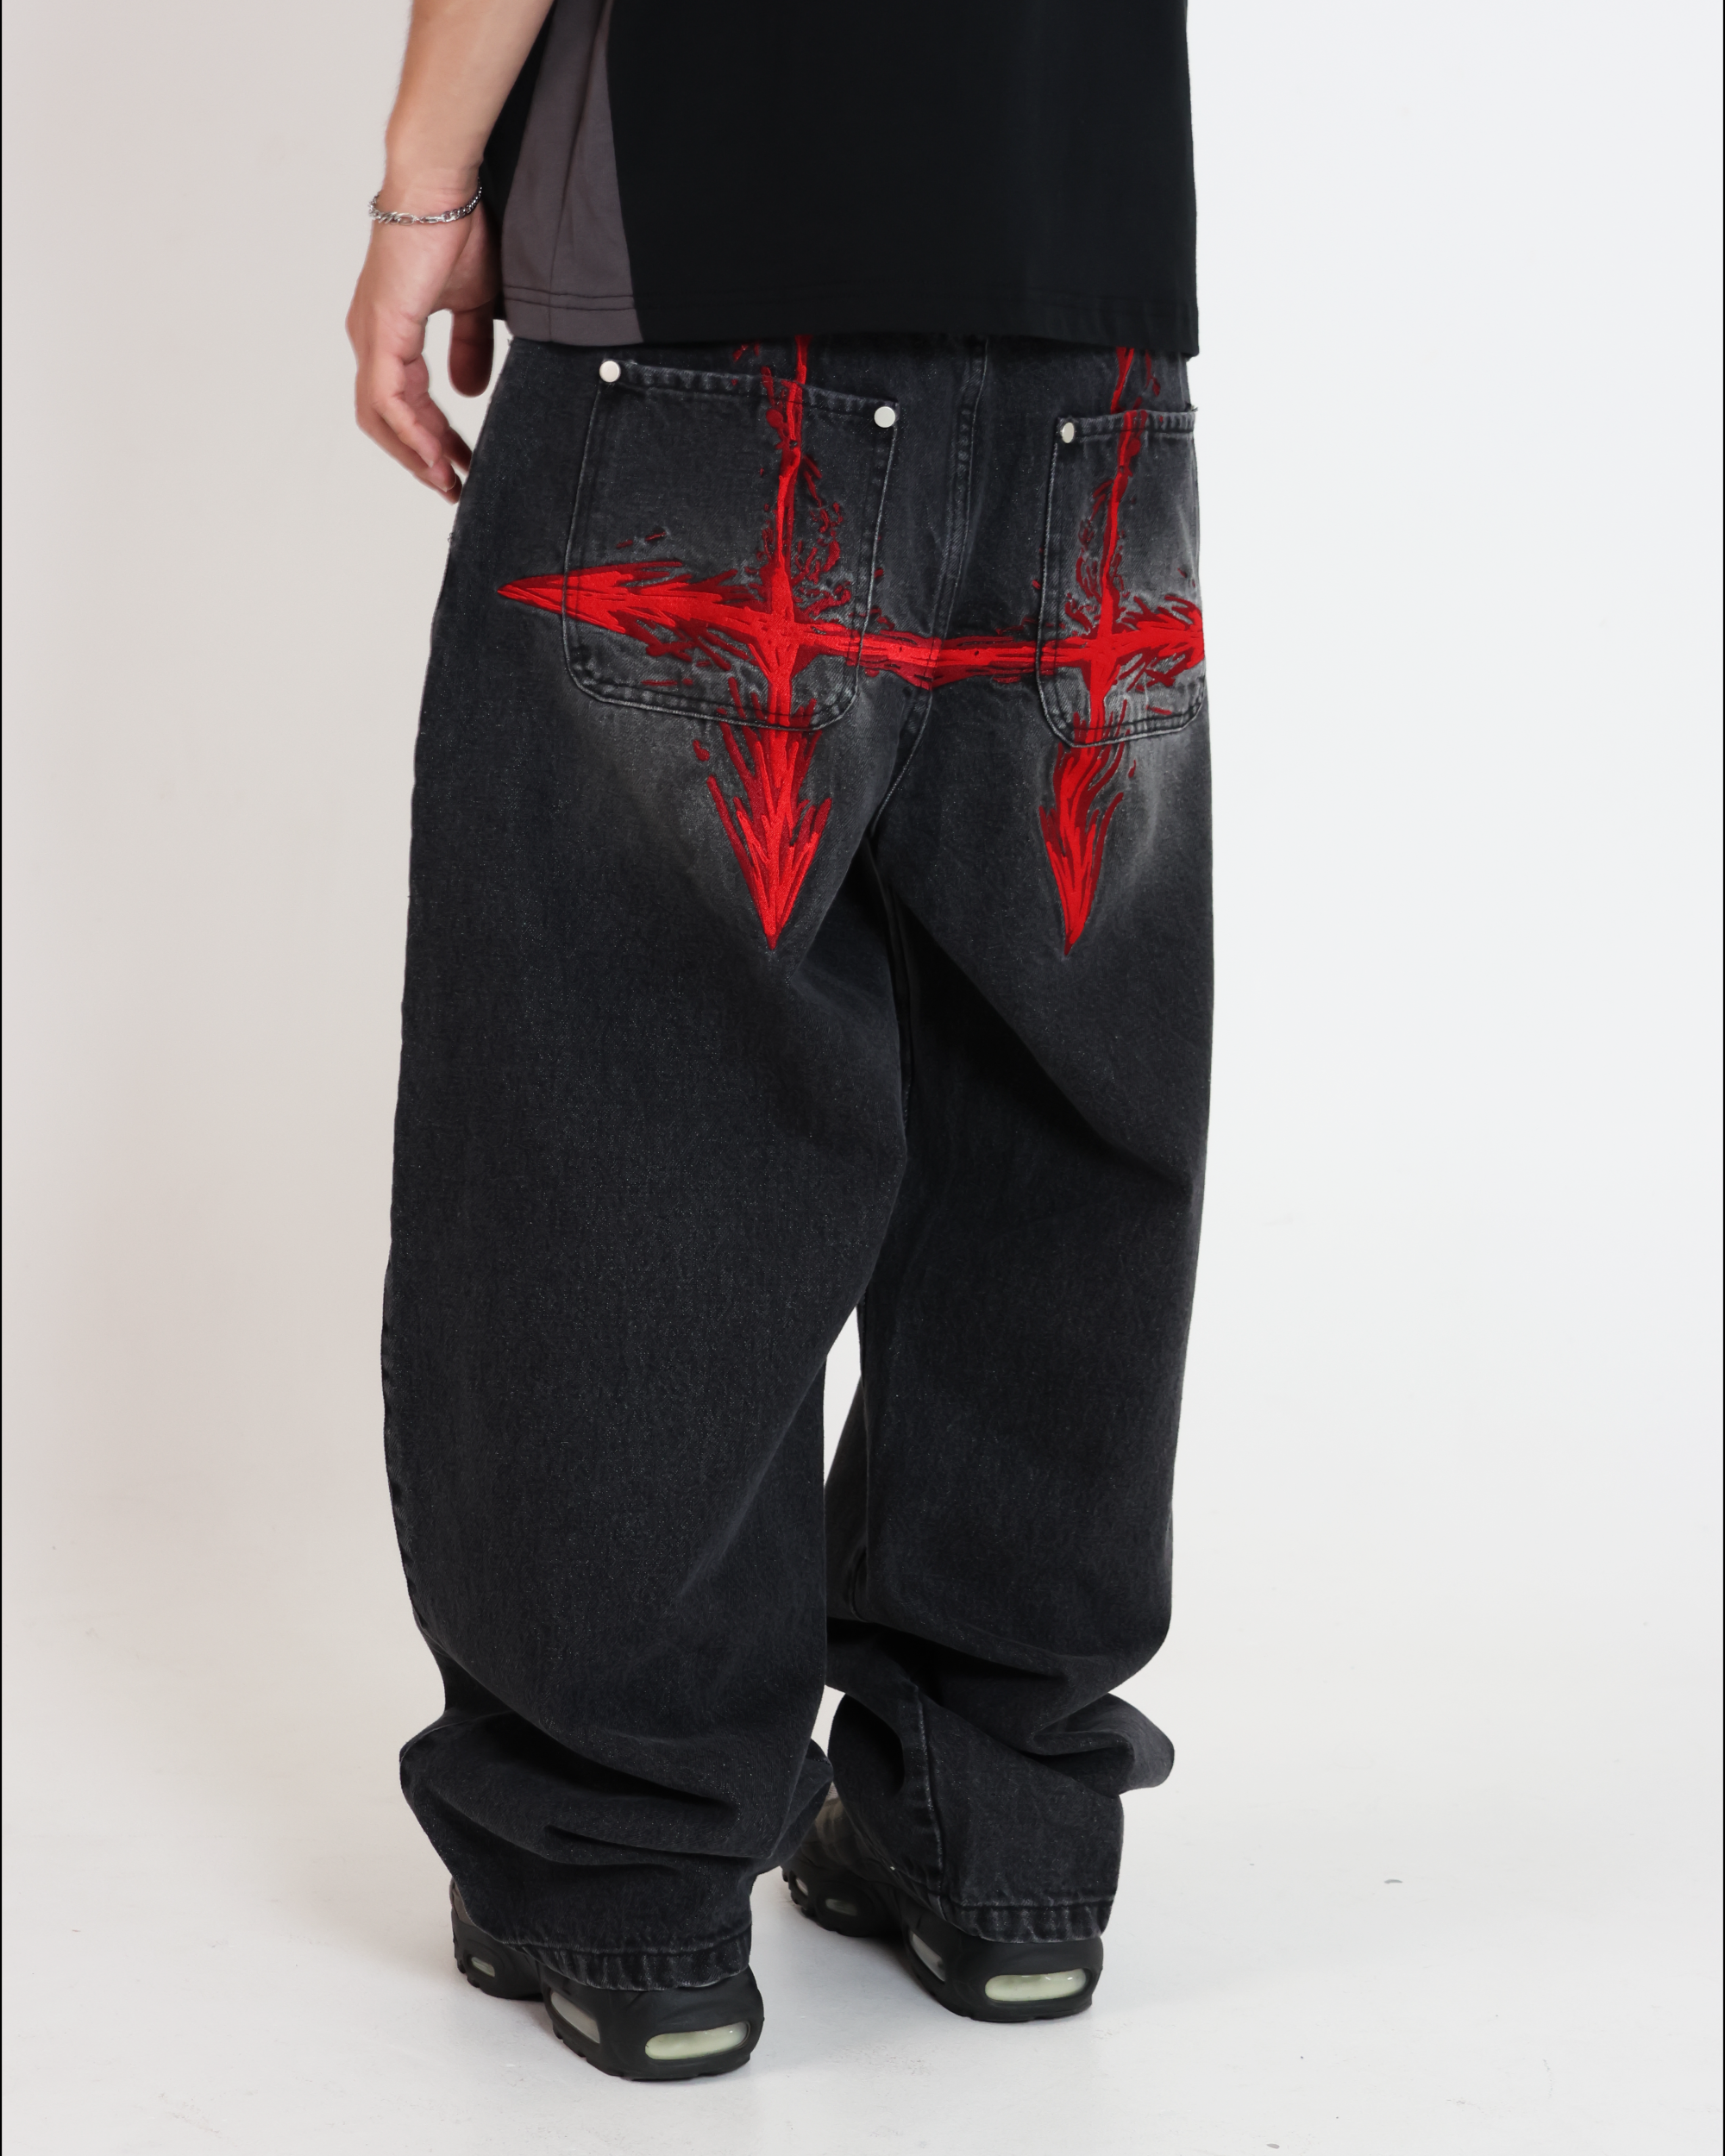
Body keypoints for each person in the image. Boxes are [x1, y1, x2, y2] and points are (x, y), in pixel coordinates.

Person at [347, 0, 1209, 2084]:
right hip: (1086, 327)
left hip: (703, 311)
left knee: (619, 1102)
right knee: (1048, 1097)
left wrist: (423, 192)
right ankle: (1002, 1829)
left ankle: (623, 1873)